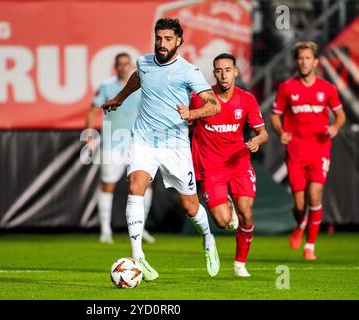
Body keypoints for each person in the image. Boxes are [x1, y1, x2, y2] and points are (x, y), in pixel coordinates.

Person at [101, 18, 222, 281]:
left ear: (179, 41)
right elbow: (138, 78)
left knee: (190, 206)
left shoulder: (189, 71)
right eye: (158, 38)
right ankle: (138, 258)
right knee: (135, 186)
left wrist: (193, 112)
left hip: (175, 145)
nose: (161, 43)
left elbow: (214, 105)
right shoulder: (144, 62)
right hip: (144, 140)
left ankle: (208, 237)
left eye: (168, 39)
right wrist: (119, 99)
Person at [190, 53, 269, 277]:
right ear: (214, 74)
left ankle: (240, 264)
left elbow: (263, 134)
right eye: (218, 71)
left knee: (246, 213)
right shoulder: (201, 99)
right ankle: (226, 204)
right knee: (224, 222)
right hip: (210, 168)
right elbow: (185, 123)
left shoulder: (247, 99)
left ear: (235, 72)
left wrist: (256, 140)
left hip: (238, 164)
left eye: (227, 70)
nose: (223, 75)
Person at [270, 41, 346, 260]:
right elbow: (275, 115)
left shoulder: (327, 88)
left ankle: (310, 246)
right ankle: (301, 224)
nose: (303, 62)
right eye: (300, 58)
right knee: (299, 204)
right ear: (296, 61)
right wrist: (280, 131)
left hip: (320, 149)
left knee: (315, 195)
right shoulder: (287, 87)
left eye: (307, 58)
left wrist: (335, 126)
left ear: (315, 62)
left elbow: (340, 115)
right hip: (295, 151)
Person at [86, 53, 155, 244]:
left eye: (127, 64)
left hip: (137, 143)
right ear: (115, 66)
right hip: (112, 143)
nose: (124, 67)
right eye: (120, 64)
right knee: (108, 185)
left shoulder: (140, 86)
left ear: (131, 66)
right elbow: (93, 110)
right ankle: (105, 230)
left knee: (145, 184)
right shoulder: (107, 86)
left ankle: (141, 228)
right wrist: (90, 133)